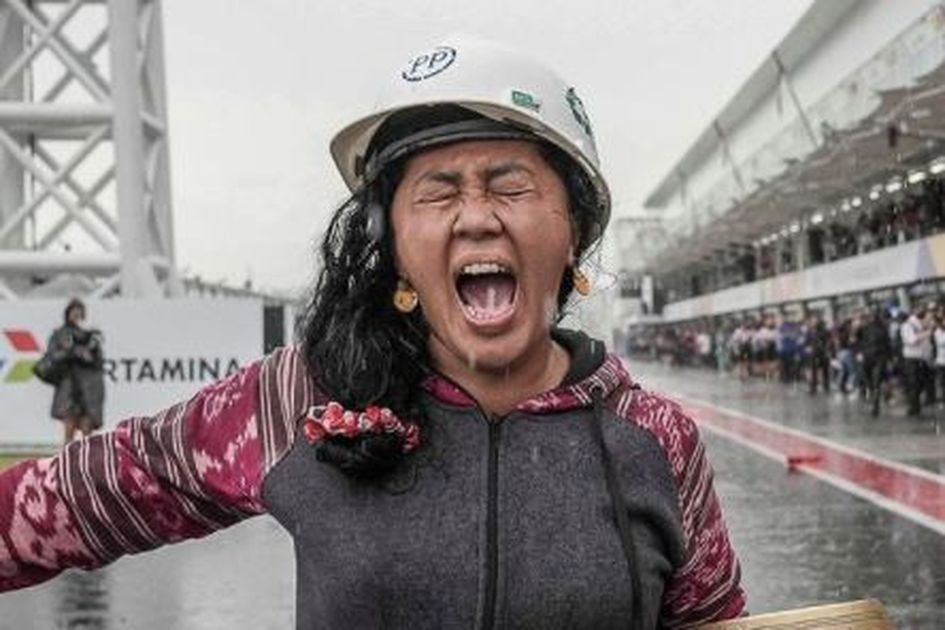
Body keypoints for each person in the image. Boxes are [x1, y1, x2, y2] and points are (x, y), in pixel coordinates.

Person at [0, 38, 743, 628]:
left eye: (510, 185)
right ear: (393, 249)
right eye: (437, 193)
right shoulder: (303, 397)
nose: (476, 217)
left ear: (573, 230)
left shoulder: (656, 438)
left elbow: (716, 622)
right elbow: (84, 495)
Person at [44, 298, 105, 445]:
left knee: (87, 426)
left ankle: (87, 456)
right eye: (74, 312)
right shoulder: (60, 334)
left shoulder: (90, 336)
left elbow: (98, 362)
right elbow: (52, 356)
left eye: (79, 313)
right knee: (69, 426)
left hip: (88, 388)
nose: (77, 316)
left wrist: (91, 352)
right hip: (69, 385)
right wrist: (71, 352)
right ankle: (67, 456)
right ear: (68, 313)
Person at [857, 307, 892, 417]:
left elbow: (887, 344)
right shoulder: (864, 328)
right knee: (870, 381)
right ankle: (875, 397)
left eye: (874, 315)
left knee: (876, 381)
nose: (873, 317)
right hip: (869, 358)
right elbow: (857, 339)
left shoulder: (882, 328)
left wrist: (890, 359)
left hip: (878, 358)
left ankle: (875, 404)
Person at [900, 304, 934, 416]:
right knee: (914, 384)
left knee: (921, 383)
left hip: (922, 359)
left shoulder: (922, 325)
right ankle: (914, 408)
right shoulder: (907, 325)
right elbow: (912, 340)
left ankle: (916, 405)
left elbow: (926, 344)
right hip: (912, 359)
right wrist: (926, 334)